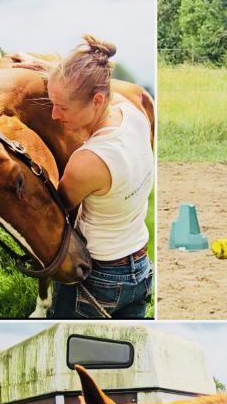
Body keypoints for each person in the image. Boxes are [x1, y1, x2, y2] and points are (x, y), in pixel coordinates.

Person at [12, 36, 153, 319]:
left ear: (97, 99)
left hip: (100, 275)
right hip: (141, 267)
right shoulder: (132, 113)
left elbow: (57, 212)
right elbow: (98, 84)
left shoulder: (89, 160)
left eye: (62, 107)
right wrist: (46, 67)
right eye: (52, 103)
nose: (54, 115)